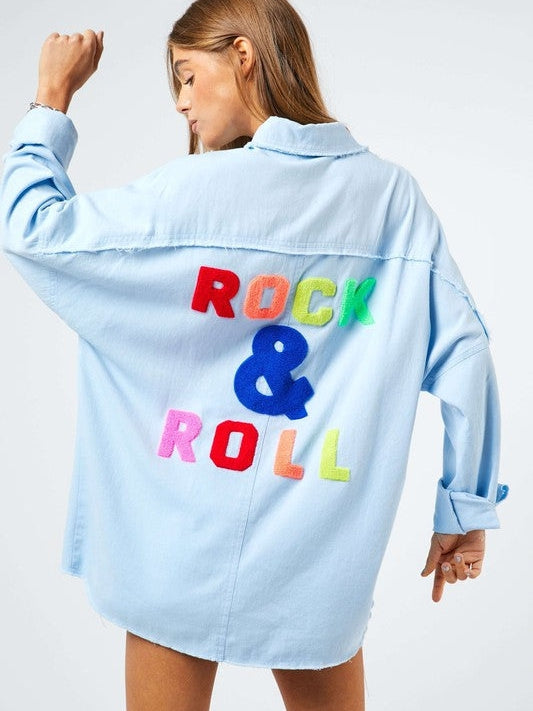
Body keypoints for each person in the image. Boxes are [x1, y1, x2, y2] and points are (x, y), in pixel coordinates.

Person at [0, 1, 508, 709]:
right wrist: (463, 507)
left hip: (176, 543)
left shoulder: (186, 194)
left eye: (186, 75)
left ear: (242, 55)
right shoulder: (392, 200)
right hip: (317, 552)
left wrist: (51, 99)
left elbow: (32, 230)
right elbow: (465, 351)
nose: (180, 102)